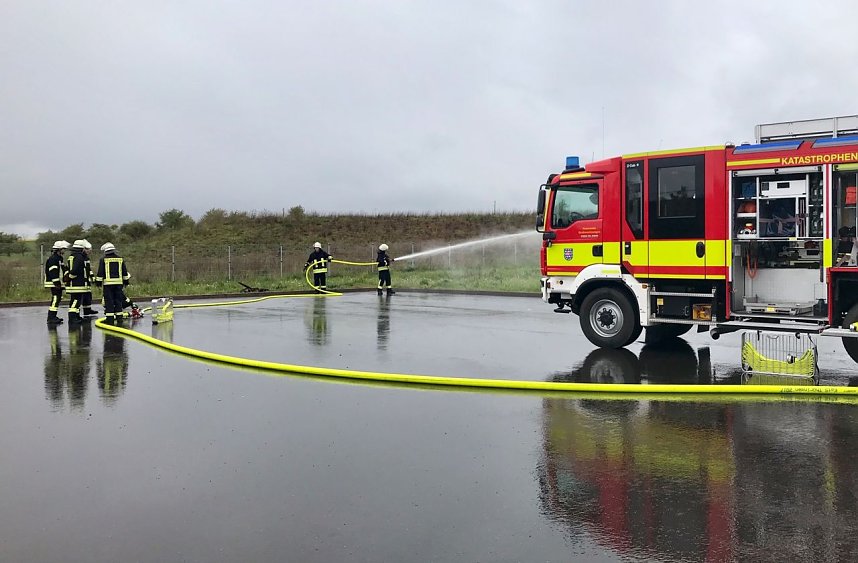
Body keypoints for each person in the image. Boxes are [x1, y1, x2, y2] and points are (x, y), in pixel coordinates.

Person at [95, 242, 131, 324]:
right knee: (118, 301)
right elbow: (124, 272)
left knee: (109, 302)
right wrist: (126, 282)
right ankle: (119, 318)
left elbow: (100, 272)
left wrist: (98, 283)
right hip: (118, 284)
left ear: (105, 251)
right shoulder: (120, 259)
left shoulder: (103, 259)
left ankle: (110, 319)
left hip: (108, 285)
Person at [44, 240, 70, 324]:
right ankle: (51, 317)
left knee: (57, 298)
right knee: (55, 298)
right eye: (63, 249)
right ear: (59, 249)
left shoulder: (59, 258)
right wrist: (57, 283)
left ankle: (53, 316)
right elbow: (53, 272)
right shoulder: (53, 259)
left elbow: (63, 269)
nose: (64, 250)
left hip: (57, 282)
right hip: (53, 282)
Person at [66, 240, 91, 324]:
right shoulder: (79, 257)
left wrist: (69, 278)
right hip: (78, 283)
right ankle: (73, 318)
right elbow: (75, 270)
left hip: (74, 283)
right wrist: (70, 277)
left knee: (76, 300)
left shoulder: (72, 256)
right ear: (81, 248)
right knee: (75, 301)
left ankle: (76, 316)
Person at [80, 239, 99, 317]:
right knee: (82, 296)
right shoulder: (81, 257)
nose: (89, 251)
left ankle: (87, 309)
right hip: (81, 280)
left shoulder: (86, 258)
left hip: (86, 280)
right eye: (87, 249)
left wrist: (92, 278)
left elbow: (89, 269)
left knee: (88, 295)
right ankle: (83, 311)